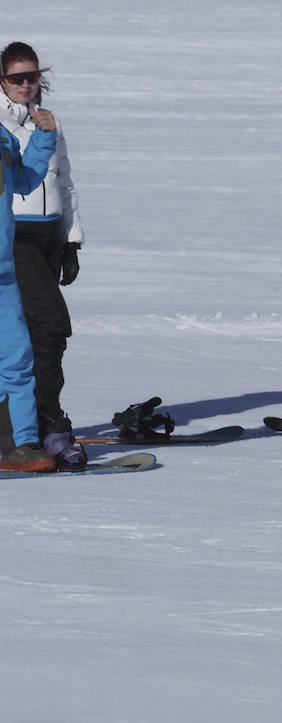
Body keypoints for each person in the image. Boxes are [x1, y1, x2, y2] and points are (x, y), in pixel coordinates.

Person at [1, 42, 85, 468]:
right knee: (50, 324)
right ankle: (47, 424)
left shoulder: (47, 119)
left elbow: (59, 178)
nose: (26, 85)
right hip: (14, 238)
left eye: (32, 76)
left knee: (31, 339)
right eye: (17, 77)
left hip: (47, 236)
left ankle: (28, 427)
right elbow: (21, 183)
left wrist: (71, 237)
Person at [0, 83, 56, 472]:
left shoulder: (2, 136)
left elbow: (23, 181)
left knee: (18, 359)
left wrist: (44, 138)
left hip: (2, 272)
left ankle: (23, 444)